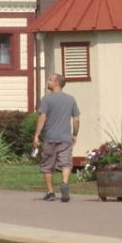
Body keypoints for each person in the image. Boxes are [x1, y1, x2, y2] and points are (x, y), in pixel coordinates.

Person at [33, 73, 80, 202]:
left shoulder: (46, 99)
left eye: (50, 80)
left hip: (50, 138)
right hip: (65, 138)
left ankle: (50, 192)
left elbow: (42, 117)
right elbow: (76, 119)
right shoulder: (71, 99)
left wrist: (37, 135)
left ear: (56, 83)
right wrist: (75, 134)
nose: (48, 82)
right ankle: (64, 183)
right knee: (66, 163)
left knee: (47, 165)